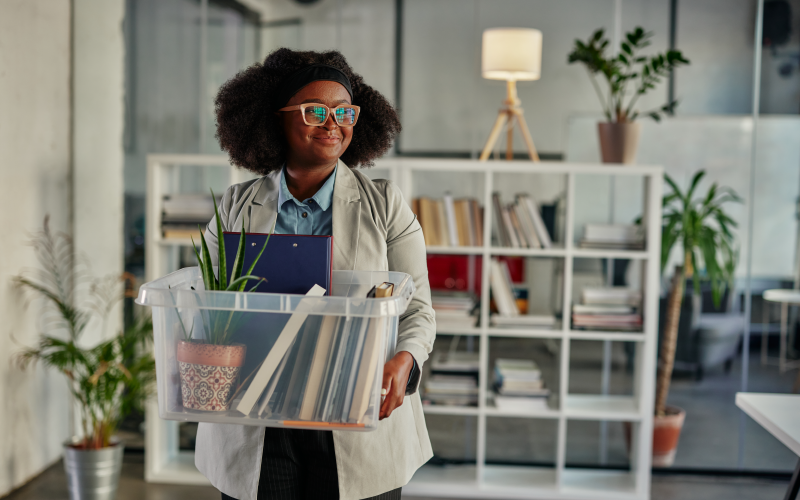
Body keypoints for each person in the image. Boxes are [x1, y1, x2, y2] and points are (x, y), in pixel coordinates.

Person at [195, 48, 435, 500]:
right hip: (258, 414)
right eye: (315, 111)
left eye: (344, 111)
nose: (333, 122)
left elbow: (417, 308)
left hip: (356, 407)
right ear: (276, 120)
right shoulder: (234, 206)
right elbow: (210, 308)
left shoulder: (384, 204)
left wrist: (407, 359)